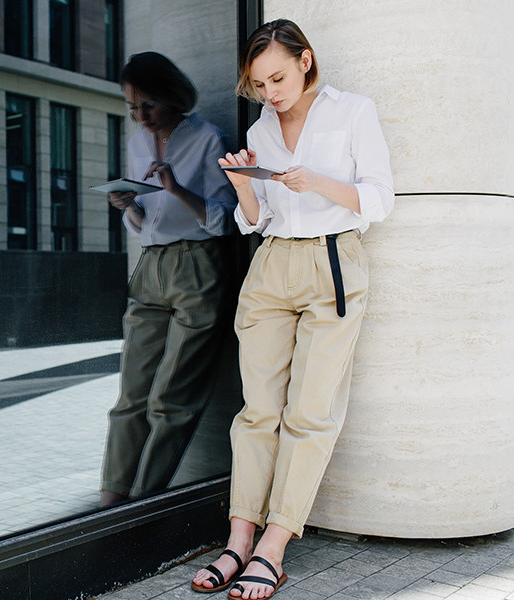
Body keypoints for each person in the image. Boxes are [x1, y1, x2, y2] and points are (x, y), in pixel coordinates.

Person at [191, 19, 393, 599]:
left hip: (332, 260)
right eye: (259, 85)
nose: (270, 93)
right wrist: (244, 185)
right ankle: (238, 540)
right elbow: (258, 221)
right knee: (257, 412)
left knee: (310, 412)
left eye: (277, 77)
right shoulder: (262, 126)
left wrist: (320, 184)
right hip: (272, 265)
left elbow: (381, 198)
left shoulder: (352, 110)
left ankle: (274, 547)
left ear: (305, 60)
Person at [99, 52, 238, 508]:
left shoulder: (208, 139)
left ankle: (144, 501)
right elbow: (146, 224)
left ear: (174, 98)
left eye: (149, 105)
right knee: (130, 395)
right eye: (132, 107)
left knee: (172, 399)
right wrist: (130, 207)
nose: (140, 117)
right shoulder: (139, 144)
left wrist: (177, 189)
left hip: (197, 265)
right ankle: (110, 499)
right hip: (150, 265)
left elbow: (223, 220)